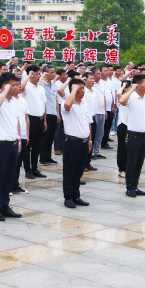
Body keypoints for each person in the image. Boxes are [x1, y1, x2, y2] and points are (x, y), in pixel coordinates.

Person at [0, 72, 23, 221]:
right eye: (14, 85)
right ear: (5, 86)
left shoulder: (15, 102)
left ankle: (5, 206)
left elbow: (17, 122)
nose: (17, 87)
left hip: (13, 144)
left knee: (9, 179)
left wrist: (19, 140)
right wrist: (4, 91)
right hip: (0, 145)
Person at [61, 78, 92, 208]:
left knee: (79, 171)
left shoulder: (84, 104)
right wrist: (73, 91)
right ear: (72, 90)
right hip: (72, 142)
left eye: (83, 88)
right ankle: (68, 197)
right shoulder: (67, 103)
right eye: (80, 88)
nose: (83, 91)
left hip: (84, 142)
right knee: (70, 170)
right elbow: (67, 106)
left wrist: (90, 140)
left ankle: (76, 195)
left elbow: (88, 123)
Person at [118, 74, 145, 198]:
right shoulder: (131, 97)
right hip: (133, 136)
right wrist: (132, 88)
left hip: (144, 135)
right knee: (131, 163)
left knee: (139, 163)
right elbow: (121, 101)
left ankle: (135, 185)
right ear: (139, 85)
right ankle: (129, 187)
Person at [19, 65, 47, 178]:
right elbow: (21, 87)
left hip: (40, 119)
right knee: (27, 146)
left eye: (39, 74)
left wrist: (45, 120)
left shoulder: (41, 88)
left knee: (37, 146)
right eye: (35, 74)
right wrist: (28, 76)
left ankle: (35, 168)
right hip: (30, 119)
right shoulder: (26, 86)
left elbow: (44, 104)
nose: (38, 76)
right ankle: (28, 170)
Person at [39, 65, 59, 166]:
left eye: (54, 72)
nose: (53, 74)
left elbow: (56, 100)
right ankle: (43, 158)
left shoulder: (54, 85)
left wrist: (58, 113)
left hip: (53, 114)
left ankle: (48, 157)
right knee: (45, 137)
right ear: (45, 73)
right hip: (46, 114)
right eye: (51, 72)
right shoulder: (41, 84)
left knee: (51, 137)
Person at [115, 82, 132, 177]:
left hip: (131, 126)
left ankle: (128, 168)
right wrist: (123, 85)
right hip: (123, 125)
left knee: (130, 148)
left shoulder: (132, 98)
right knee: (122, 148)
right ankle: (121, 169)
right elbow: (118, 93)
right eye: (130, 87)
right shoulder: (121, 98)